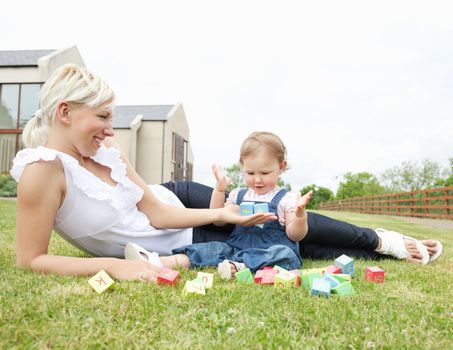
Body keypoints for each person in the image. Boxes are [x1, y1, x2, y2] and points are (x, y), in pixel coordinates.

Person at [11, 64, 443, 284]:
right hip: (185, 239)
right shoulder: (42, 172)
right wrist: (116, 268)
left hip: (181, 204)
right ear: (65, 113)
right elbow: (31, 260)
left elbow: (159, 213)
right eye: (103, 116)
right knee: (289, 245)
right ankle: (383, 251)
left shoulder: (106, 150)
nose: (110, 127)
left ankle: (382, 241)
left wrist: (224, 214)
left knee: (281, 216)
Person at [154, 132, 314, 278]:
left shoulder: (286, 199)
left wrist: (300, 216)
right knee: (212, 248)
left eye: (265, 173)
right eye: (250, 173)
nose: (257, 179)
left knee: (285, 254)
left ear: (281, 167)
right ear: (242, 167)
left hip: (270, 250)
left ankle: (239, 266)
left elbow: (295, 235)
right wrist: (219, 190)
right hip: (236, 248)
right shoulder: (239, 195)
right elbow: (218, 219)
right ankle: (159, 261)